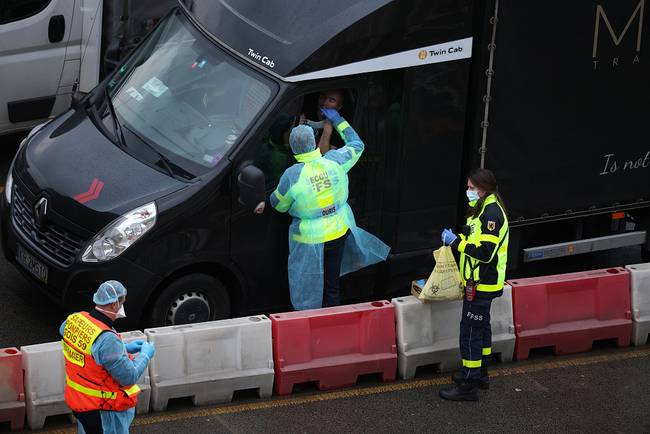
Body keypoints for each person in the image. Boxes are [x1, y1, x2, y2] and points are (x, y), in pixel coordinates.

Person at [270, 107, 390, 310]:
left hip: (309, 241)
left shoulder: (292, 176)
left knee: (308, 288)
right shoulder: (334, 161)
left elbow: (278, 205)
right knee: (331, 286)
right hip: (337, 232)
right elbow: (356, 144)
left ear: (292, 147)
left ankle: (309, 324)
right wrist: (338, 120)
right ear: (315, 142)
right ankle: (331, 322)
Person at [438, 168, 509, 401]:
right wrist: (463, 236)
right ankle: (481, 374)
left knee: (470, 333)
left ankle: (468, 385)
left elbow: (485, 253)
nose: (468, 191)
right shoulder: (484, 210)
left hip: (482, 283)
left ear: (483, 189)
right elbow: (476, 240)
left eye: (471, 188)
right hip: (481, 282)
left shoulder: (490, 214)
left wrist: (456, 242)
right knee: (481, 328)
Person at [60, 281, 155, 433]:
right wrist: (145, 355)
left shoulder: (75, 319)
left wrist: (123, 348)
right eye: (122, 303)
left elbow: (89, 350)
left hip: (80, 401)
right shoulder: (108, 340)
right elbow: (129, 376)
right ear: (113, 305)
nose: (122, 307)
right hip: (104, 409)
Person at [300, 89, 345, 154]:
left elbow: (324, 156)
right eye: (323, 97)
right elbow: (286, 141)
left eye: (331, 100)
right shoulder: (308, 111)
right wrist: (295, 125)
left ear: (339, 107)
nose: (324, 103)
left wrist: (327, 130)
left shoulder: (340, 129)